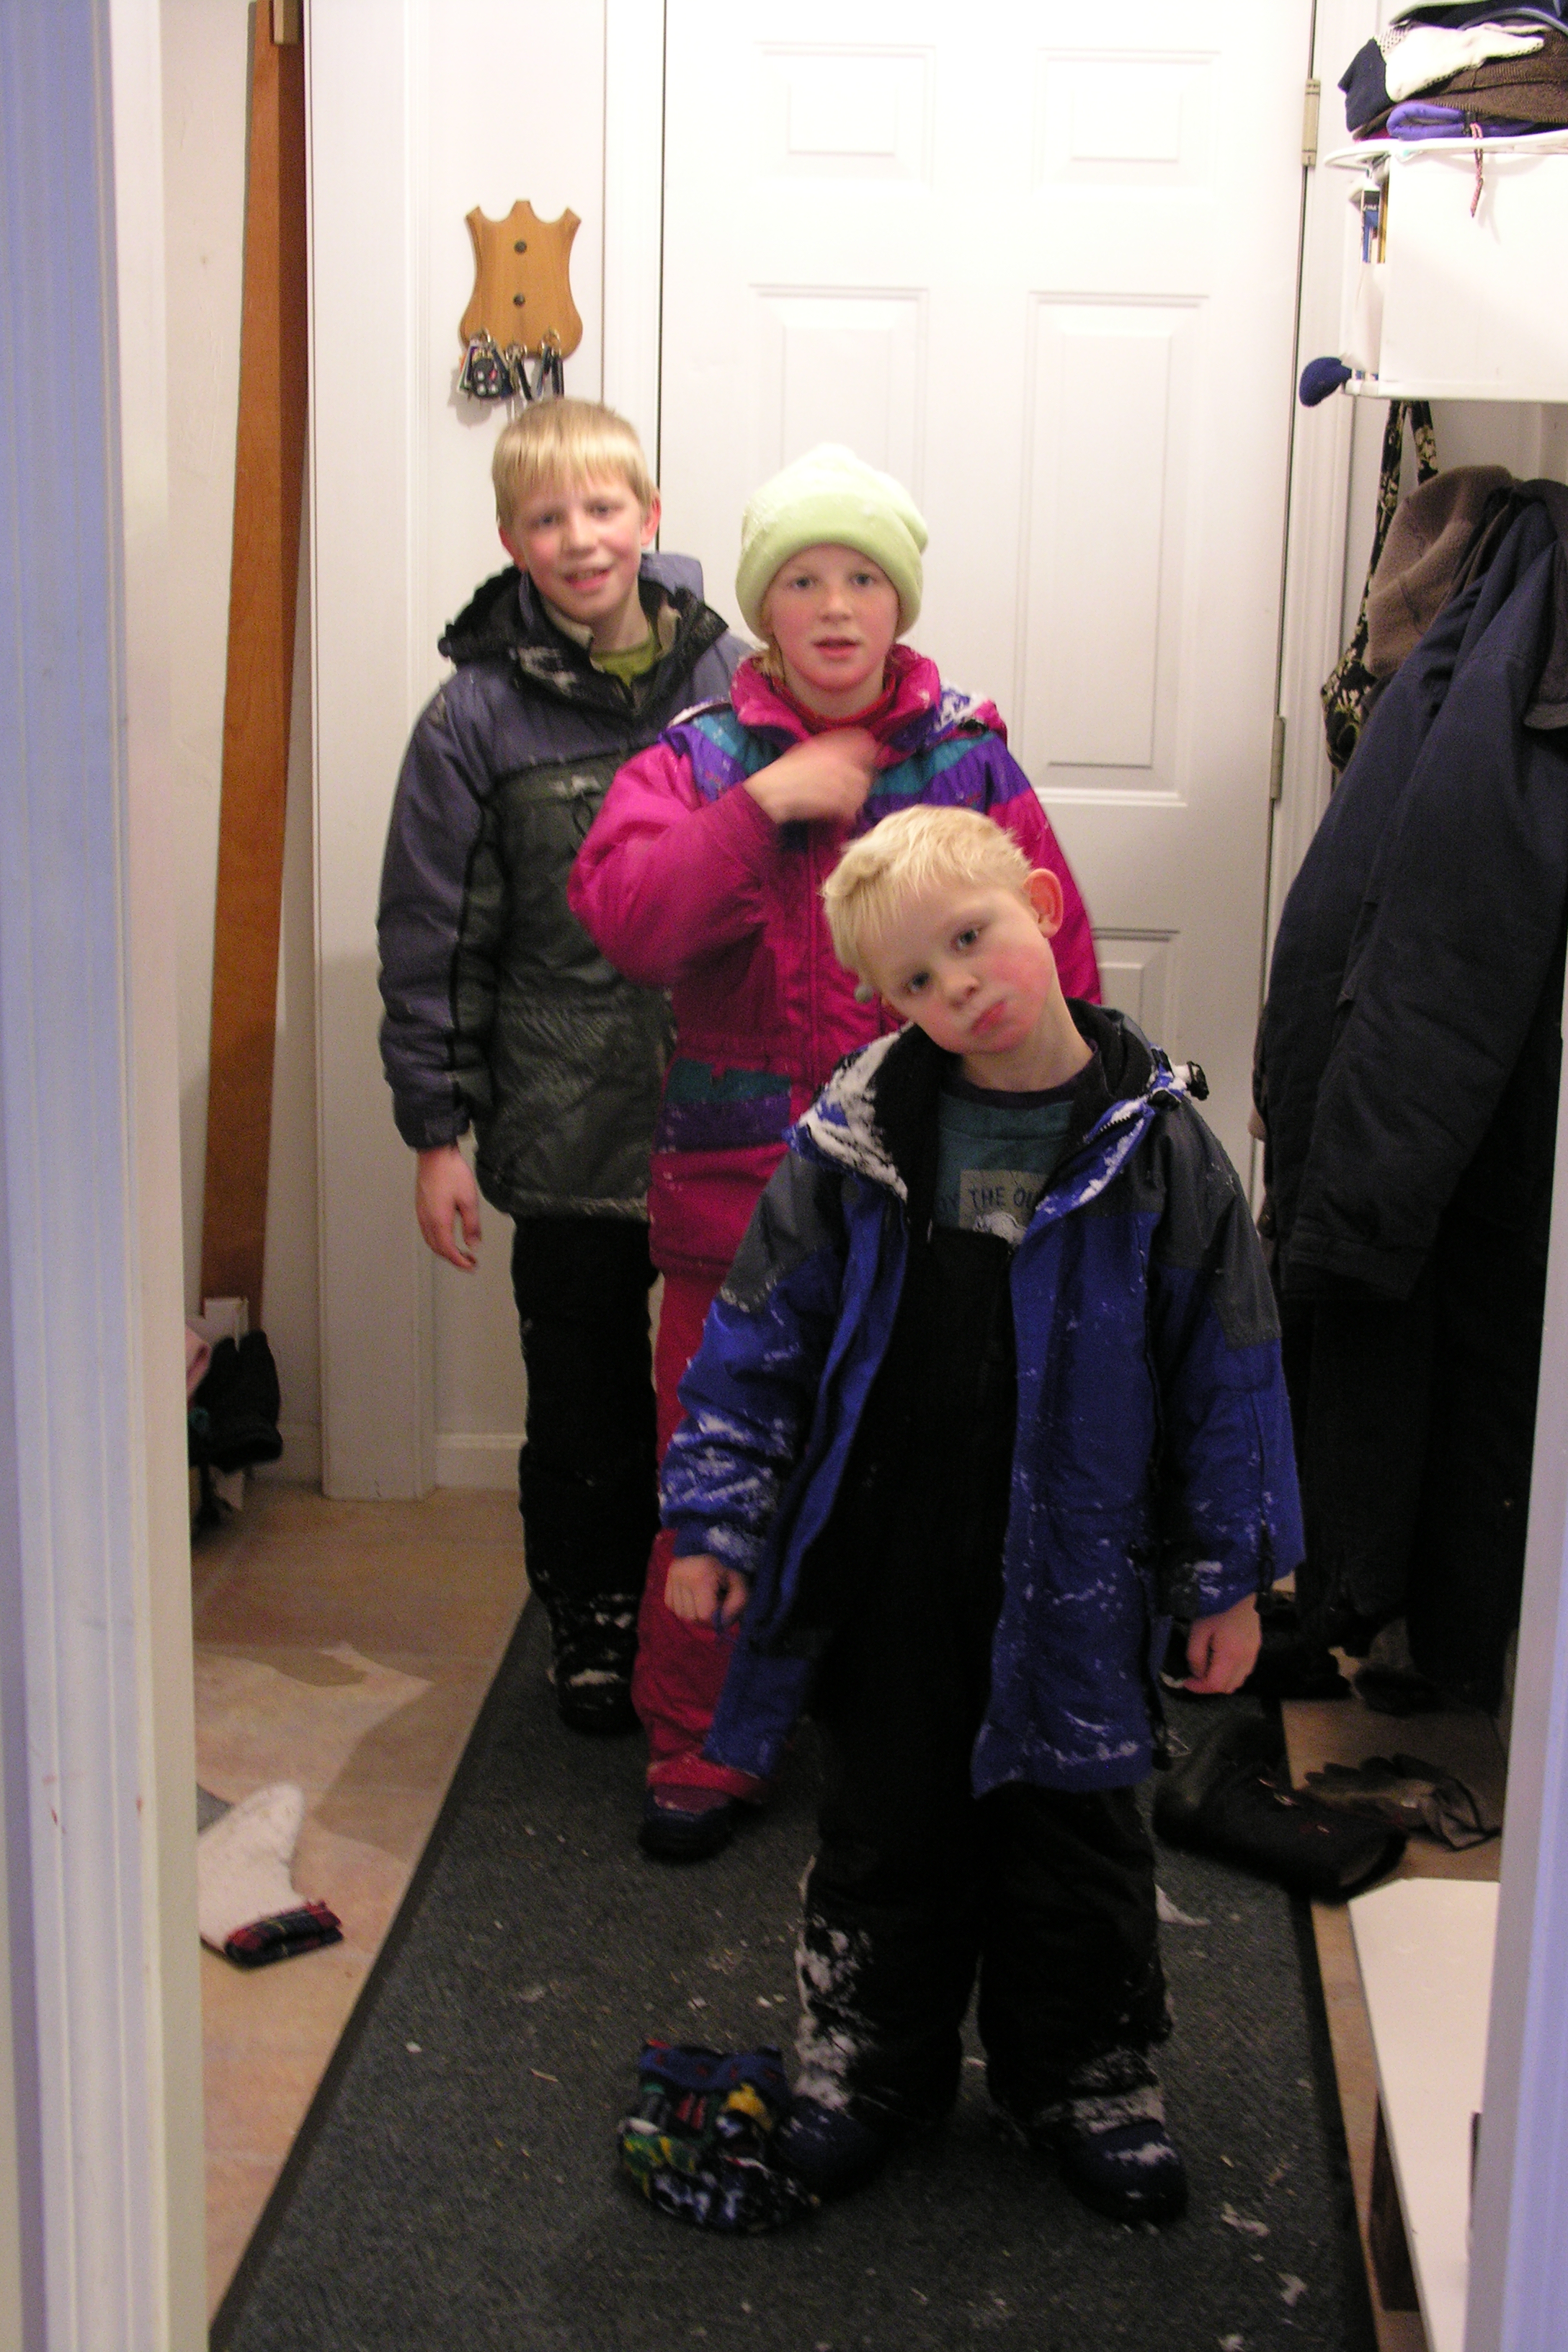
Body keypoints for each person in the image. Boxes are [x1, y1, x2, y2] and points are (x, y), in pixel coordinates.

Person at [658, 804, 1302, 2224]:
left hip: (1079, 1568)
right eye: (915, 978)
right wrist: (716, 1517)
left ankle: (1083, 2077)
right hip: (893, 1558)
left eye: (971, 937)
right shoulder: (853, 1145)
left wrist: (1225, 1576)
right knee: (886, 1823)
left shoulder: (1157, 1147)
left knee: (1075, 1833)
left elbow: (1230, 1372)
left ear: (1041, 906)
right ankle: (864, 2065)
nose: (957, 984)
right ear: (886, 1003)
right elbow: (758, 1337)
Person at [569, 445, 1100, 1859]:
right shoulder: (697, 760)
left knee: (928, 1475)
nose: (834, 606)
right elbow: (627, 921)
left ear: (898, 602)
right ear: (763, 608)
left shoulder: (969, 760)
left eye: (861, 576)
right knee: (717, 1466)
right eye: (801, 580)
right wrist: (762, 808)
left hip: (933, 1208)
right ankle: (704, 1734)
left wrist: (1049, 1164)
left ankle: (921, 1716)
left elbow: (1054, 972)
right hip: (735, 1214)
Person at [377, 398, 747, 1732]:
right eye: (548, 518)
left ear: (650, 518)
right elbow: (433, 936)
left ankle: (728, 1615)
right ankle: (592, 1614)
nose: (581, 539)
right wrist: (436, 1133)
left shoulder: (736, 683)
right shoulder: (471, 719)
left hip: (728, 1119)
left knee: (732, 1385)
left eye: (603, 509)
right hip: (563, 1122)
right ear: (510, 540)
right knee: (584, 1399)